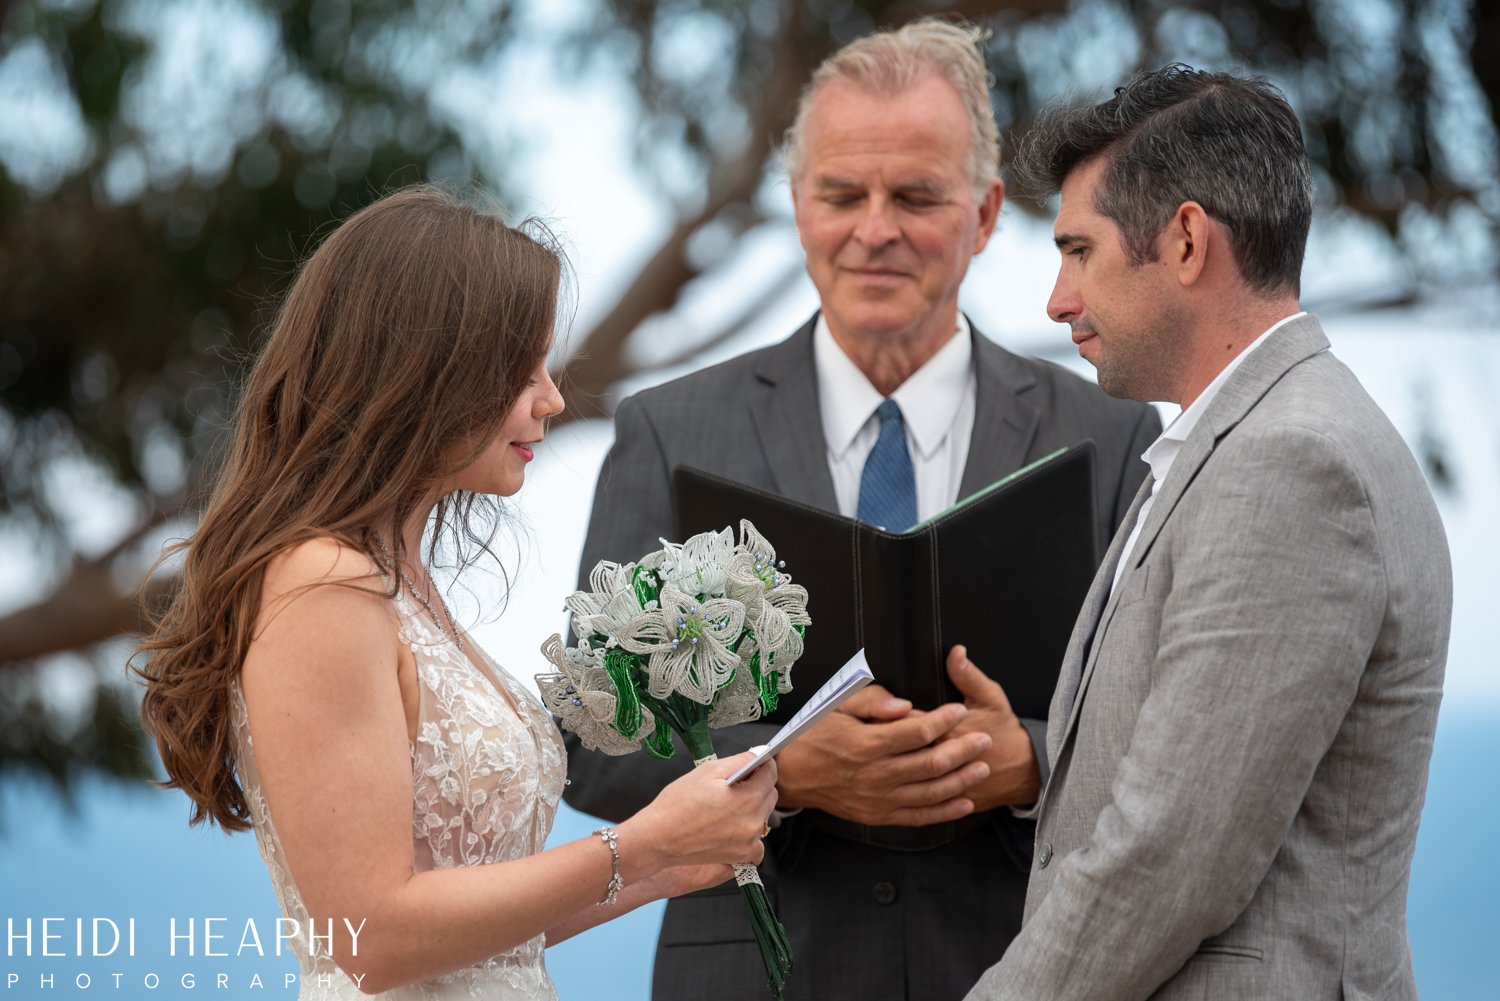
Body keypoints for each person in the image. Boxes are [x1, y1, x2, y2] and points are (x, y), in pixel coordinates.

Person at [566, 19, 1160, 1001]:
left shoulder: (1111, 435)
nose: (873, 228)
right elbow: (593, 735)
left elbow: (1168, 727)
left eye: (916, 196)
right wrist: (780, 769)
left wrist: (1032, 762)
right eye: (841, 193)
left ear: (983, 213)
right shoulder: (671, 430)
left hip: (1024, 968)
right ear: (799, 205)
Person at [132, 187, 779, 1001]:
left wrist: (665, 866)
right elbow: (372, 936)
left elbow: (472, 932)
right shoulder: (321, 586)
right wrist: (637, 846)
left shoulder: (402, 585)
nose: (551, 397)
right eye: (525, 368)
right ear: (428, 364)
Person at [965, 66, 1452, 1001]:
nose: (1057, 300)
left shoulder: (1292, 463)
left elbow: (1169, 855)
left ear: (1186, 241)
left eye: (1079, 251)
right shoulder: (1249, 441)